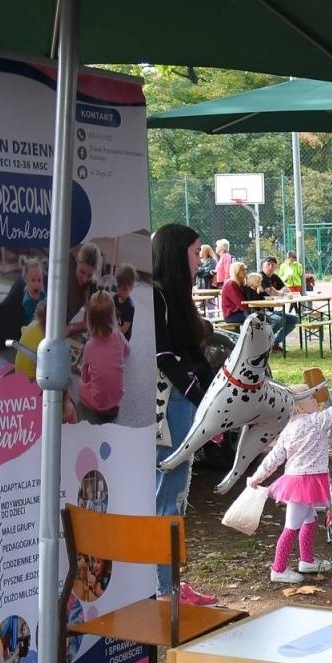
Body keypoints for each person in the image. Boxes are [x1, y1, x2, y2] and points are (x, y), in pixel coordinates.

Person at [248, 384, 332, 583]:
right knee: (291, 526)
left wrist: (257, 476)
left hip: (297, 481)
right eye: (311, 398)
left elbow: (274, 457)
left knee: (309, 519)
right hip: (305, 483)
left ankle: (307, 560)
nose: (316, 400)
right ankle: (278, 568)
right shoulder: (318, 421)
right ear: (300, 407)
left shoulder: (289, 428)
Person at [151, 223, 216, 604]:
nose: (200, 261)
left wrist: (212, 406)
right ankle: (164, 588)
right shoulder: (156, 296)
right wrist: (200, 401)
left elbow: (195, 357)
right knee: (168, 494)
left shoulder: (176, 298)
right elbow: (165, 358)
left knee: (175, 493)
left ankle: (169, 582)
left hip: (182, 404)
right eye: (195, 252)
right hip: (168, 406)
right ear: (177, 254)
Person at [76, 290, 128, 424]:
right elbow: (127, 351)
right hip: (118, 397)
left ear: (90, 320)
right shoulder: (119, 336)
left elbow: (84, 378)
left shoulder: (89, 346)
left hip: (99, 405)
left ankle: (95, 407)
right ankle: (111, 405)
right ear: (112, 316)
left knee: (80, 386)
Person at [256, 256, 300, 351]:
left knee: (294, 319)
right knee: (279, 320)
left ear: (276, 267)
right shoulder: (260, 277)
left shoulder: (274, 277)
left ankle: (275, 343)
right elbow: (270, 292)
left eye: (273, 265)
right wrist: (279, 292)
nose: (270, 267)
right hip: (260, 310)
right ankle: (263, 342)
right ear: (263, 265)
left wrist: (278, 292)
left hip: (271, 310)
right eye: (268, 264)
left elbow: (286, 289)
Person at [219, 259, 250, 325]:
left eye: (245, 269)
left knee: (262, 318)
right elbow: (241, 303)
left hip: (240, 313)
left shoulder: (241, 284)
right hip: (232, 315)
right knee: (257, 319)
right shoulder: (231, 284)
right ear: (236, 272)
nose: (245, 271)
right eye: (242, 270)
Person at [113, 263, 136, 339]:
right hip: (114, 328)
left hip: (123, 337)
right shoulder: (115, 297)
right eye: (118, 287)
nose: (120, 291)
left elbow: (125, 328)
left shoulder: (129, 307)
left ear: (131, 288)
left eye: (124, 289)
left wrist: (113, 333)